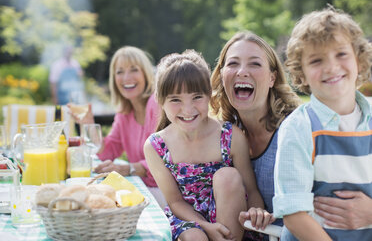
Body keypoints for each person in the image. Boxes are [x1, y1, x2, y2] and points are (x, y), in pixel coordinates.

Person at [144, 50, 272, 241]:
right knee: (196, 236)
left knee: (227, 176)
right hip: (187, 219)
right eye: (176, 100)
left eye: (197, 97)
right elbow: (175, 201)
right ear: (161, 101)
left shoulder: (230, 136)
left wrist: (255, 209)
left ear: (209, 96)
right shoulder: (157, 146)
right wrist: (205, 226)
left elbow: (251, 189)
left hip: (231, 217)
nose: (187, 109)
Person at [273, 7, 372, 240]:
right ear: (302, 74)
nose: (331, 66)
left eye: (341, 54)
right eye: (316, 60)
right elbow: (294, 214)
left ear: (358, 58)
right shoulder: (299, 127)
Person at [210, 31, 301, 235]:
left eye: (255, 64)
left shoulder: (295, 129)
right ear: (222, 74)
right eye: (233, 63)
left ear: (272, 78)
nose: (242, 71)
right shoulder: (224, 135)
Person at [69, 46, 166, 208]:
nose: (126, 77)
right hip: (146, 188)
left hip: (165, 191)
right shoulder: (124, 113)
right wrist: (88, 124)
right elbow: (107, 151)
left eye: (134, 70)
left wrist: (129, 168)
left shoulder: (155, 104)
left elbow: (165, 157)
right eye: (119, 72)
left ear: (147, 74)